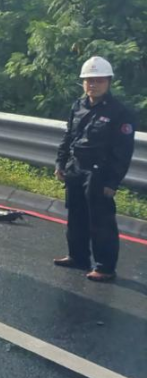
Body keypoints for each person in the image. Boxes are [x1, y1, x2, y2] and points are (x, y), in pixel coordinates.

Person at [53, 56, 136, 283]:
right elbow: (69, 136)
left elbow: (123, 151)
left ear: (108, 82)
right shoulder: (78, 106)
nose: (93, 84)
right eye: (89, 80)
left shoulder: (120, 113)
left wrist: (112, 182)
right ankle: (78, 257)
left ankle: (105, 267)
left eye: (98, 80)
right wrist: (60, 163)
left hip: (100, 172)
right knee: (76, 216)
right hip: (76, 167)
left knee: (101, 221)